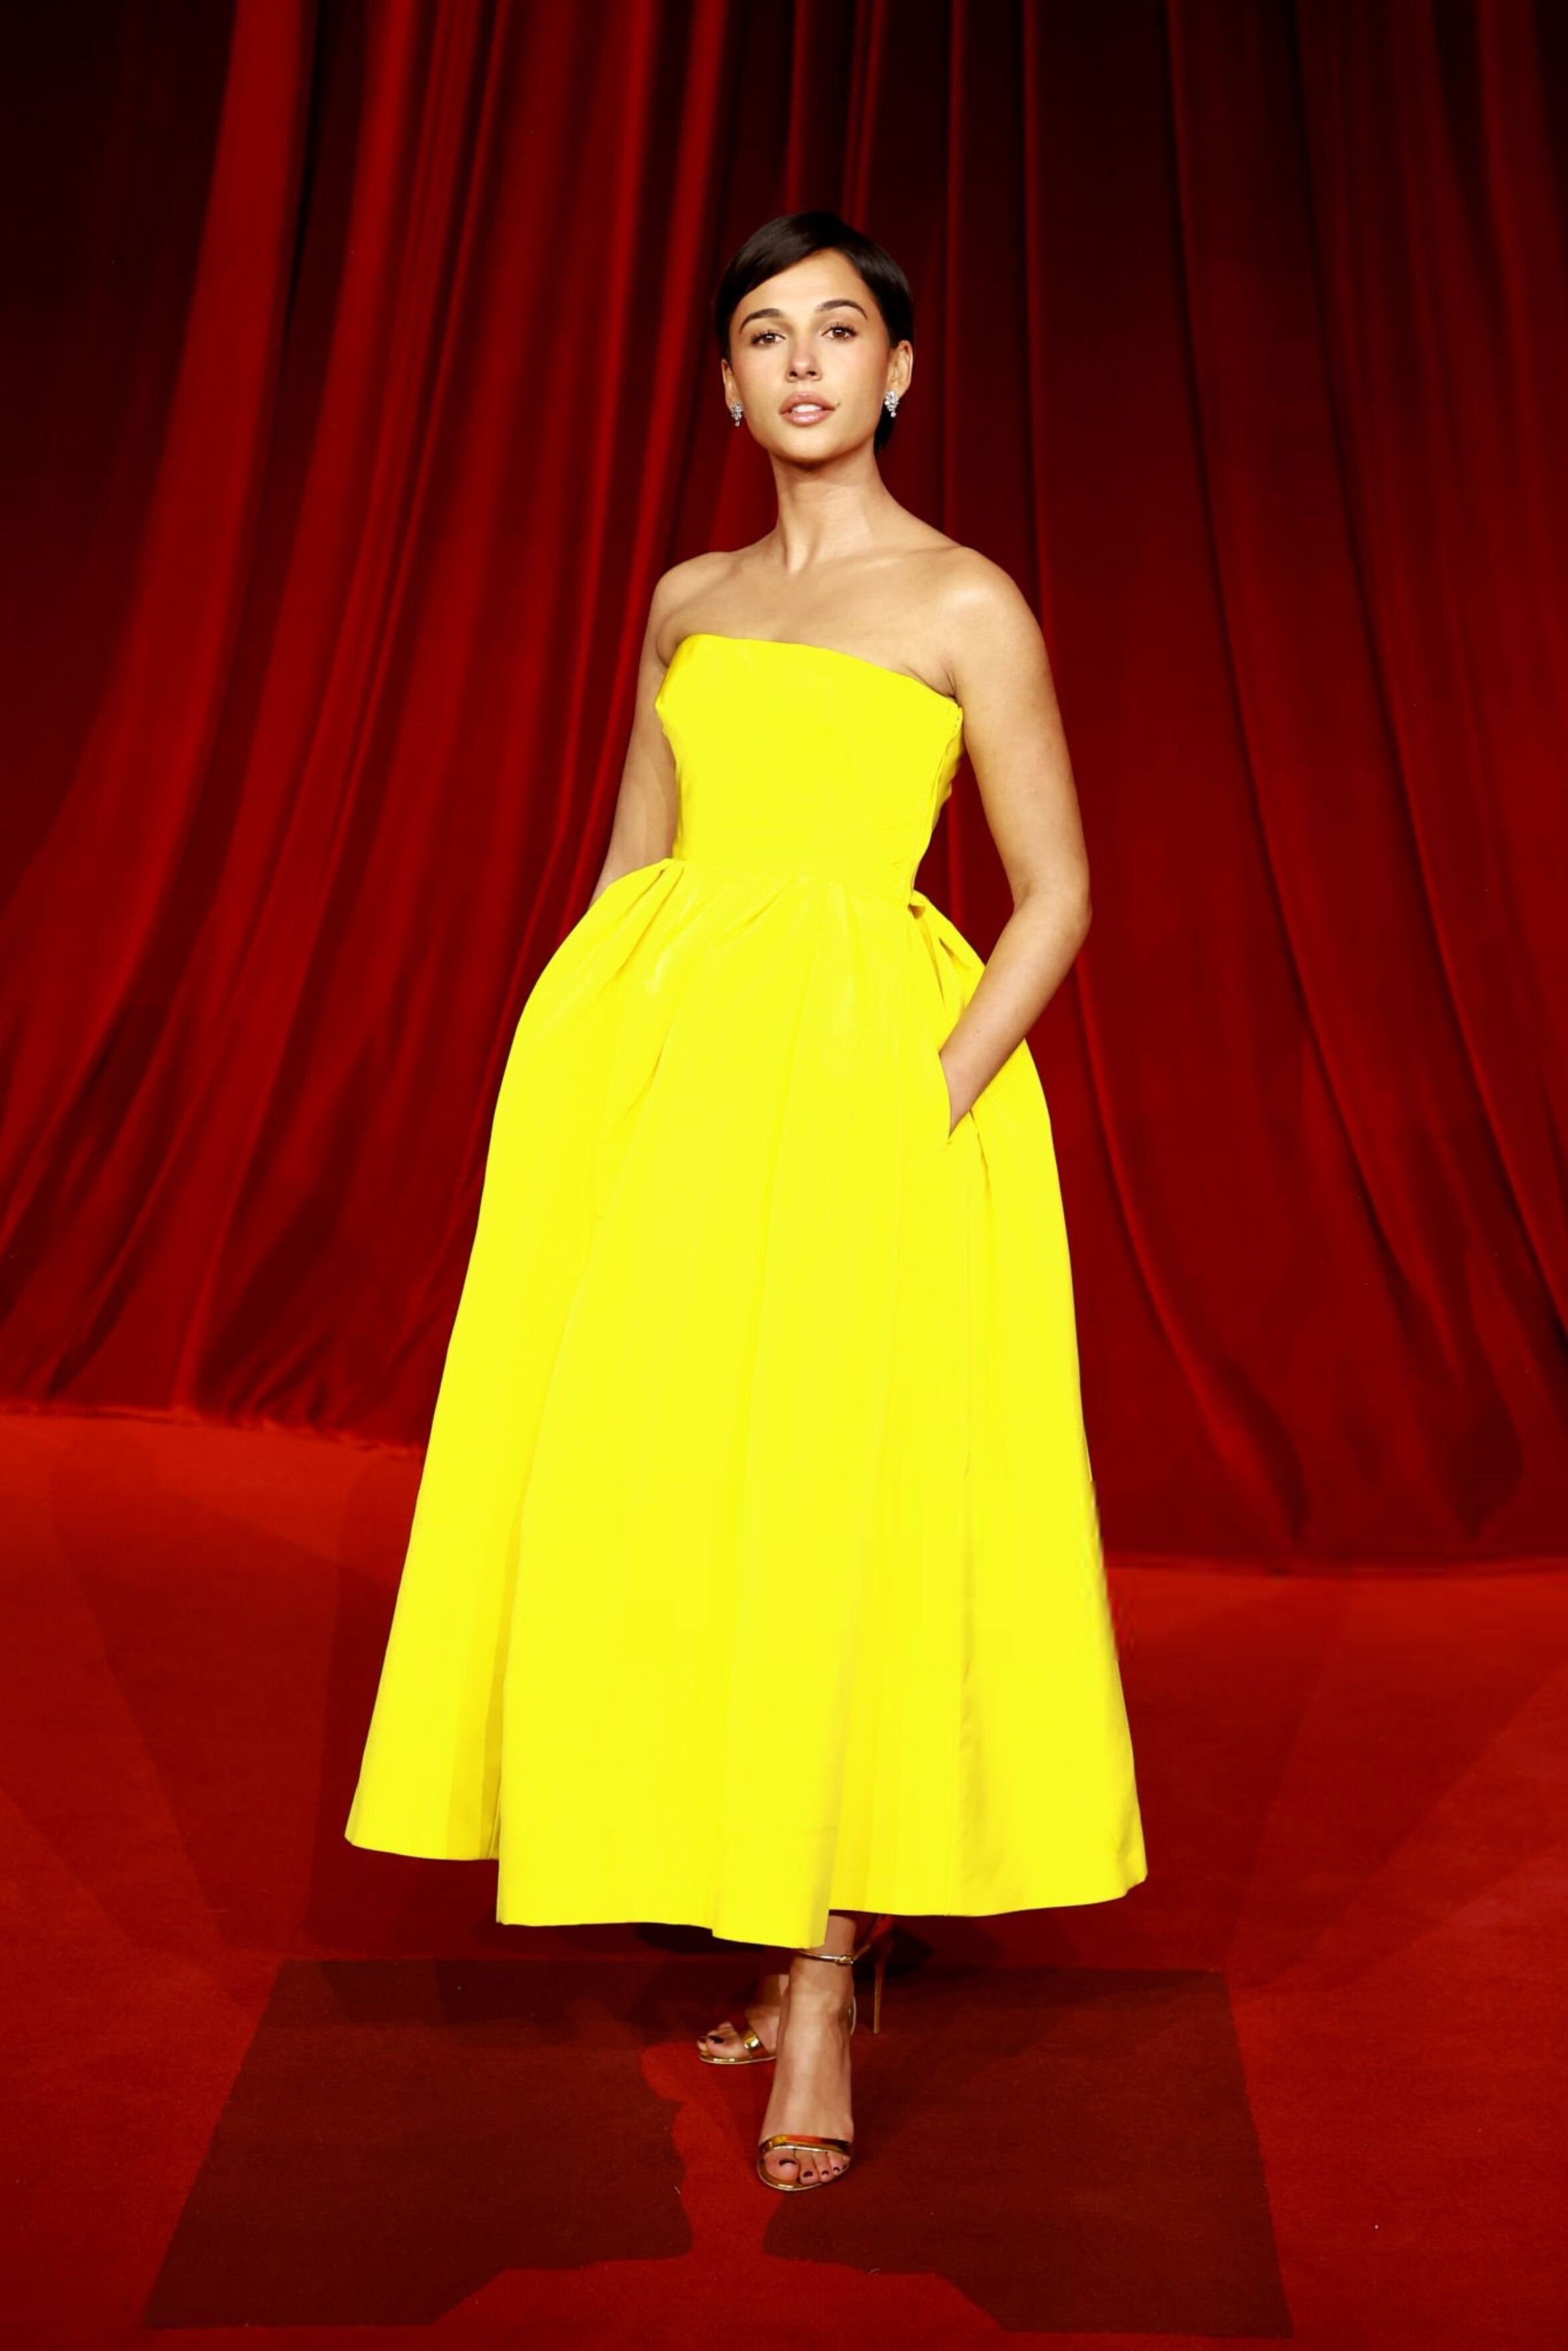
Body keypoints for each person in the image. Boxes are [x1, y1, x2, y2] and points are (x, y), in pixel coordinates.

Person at [345, 209, 1146, 2194]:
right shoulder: (688, 599)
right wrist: (578, 1093)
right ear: (725, 385)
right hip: (676, 1101)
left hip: (873, 1090)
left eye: (840, 329)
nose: (803, 363)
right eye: (766, 335)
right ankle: (756, 1894)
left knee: (840, 1503)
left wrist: (926, 1094)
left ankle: (818, 1985)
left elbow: (1055, 892)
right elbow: (636, 867)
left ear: (900, 370)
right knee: (689, 1495)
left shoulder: (965, 600)